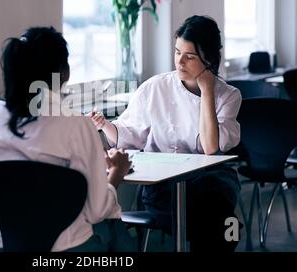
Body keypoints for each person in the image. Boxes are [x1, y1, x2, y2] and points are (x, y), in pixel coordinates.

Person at [89, 15, 242, 252]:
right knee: (217, 223)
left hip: (211, 183)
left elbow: (211, 148)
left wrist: (208, 90)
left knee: (216, 213)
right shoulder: (155, 87)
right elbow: (131, 134)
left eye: (189, 56)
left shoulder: (228, 95)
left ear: (209, 59)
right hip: (163, 185)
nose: (180, 62)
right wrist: (105, 125)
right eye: (177, 52)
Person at [0, 26, 135, 252]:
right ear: (64, 73)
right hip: (67, 247)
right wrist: (116, 174)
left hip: (5, 244)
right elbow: (97, 211)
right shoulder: (74, 125)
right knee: (114, 226)